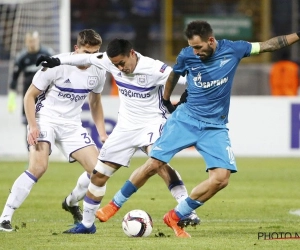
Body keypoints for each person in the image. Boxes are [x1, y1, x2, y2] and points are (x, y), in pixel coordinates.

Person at [92, 21, 300, 238]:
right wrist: (166, 101)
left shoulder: (235, 49)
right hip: (185, 120)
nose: (195, 52)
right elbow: (173, 75)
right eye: (192, 47)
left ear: (211, 41)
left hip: (215, 126)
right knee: (154, 163)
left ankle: (176, 215)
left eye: (199, 47)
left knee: (221, 178)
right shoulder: (186, 55)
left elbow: (270, 45)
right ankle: (114, 205)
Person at [36, 38, 200, 234]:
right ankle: (87, 225)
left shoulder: (154, 68)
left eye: (122, 63)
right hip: (124, 127)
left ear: (132, 53)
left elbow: (187, 77)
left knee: (158, 162)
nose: (120, 68)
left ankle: (186, 209)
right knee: (98, 175)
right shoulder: (108, 61)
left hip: (152, 122)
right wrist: (56, 60)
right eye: (115, 65)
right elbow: (81, 58)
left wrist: (188, 94)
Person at [0, 29, 108, 232]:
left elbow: (95, 103)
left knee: (98, 171)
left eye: (94, 53)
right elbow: (29, 96)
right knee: (38, 167)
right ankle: (4, 217)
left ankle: (71, 202)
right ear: (76, 49)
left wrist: (102, 133)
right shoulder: (55, 64)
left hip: (71, 125)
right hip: (45, 119)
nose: (89, 58)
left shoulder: (98, 69)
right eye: (86, 52)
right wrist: (33, 125)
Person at [7, 31, 55, 141]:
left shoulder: (47, 53)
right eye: (29, 41)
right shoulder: (22, 57)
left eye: (33, 41)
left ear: (38, 40)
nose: (31, 43)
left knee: (47, 124)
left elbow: (57, 73)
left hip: (46, 97)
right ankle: (31, 152)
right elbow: (14, 79)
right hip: (29, 97)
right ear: (26, 42)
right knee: (29, 126)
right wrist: (11, 100)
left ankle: (44, 151)